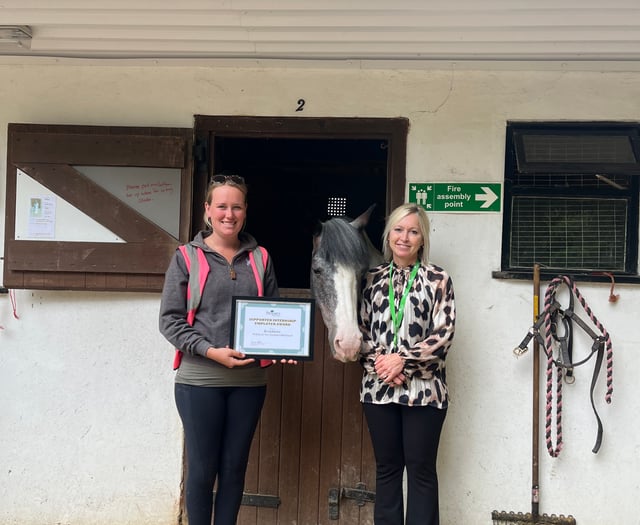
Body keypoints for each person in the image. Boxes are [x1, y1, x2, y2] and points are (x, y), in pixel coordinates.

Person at [159, 174, 282, 525]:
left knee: (234, 466)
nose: (229, 214)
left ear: (245, 212)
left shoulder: (260, 258)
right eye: (222, 206)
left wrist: (284, 347)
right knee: (202, 467)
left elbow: (274, 313)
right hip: (199, 381)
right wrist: (210, 351)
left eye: (237, 207)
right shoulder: (186, 257)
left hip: (249, 382)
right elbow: (170, 320)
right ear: (208, 210)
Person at [358, 203, 456, 525]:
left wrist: (403, 362)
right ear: (388, 236)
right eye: (398, 230)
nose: (405, 237)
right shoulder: (371, 279)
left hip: (425, 392)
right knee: (387, 470)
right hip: (378, 390)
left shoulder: (438, 279)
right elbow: (358, 332)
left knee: (421, 470)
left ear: (422, 239)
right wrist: (383, 366)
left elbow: (444, 334)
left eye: (413, 231)